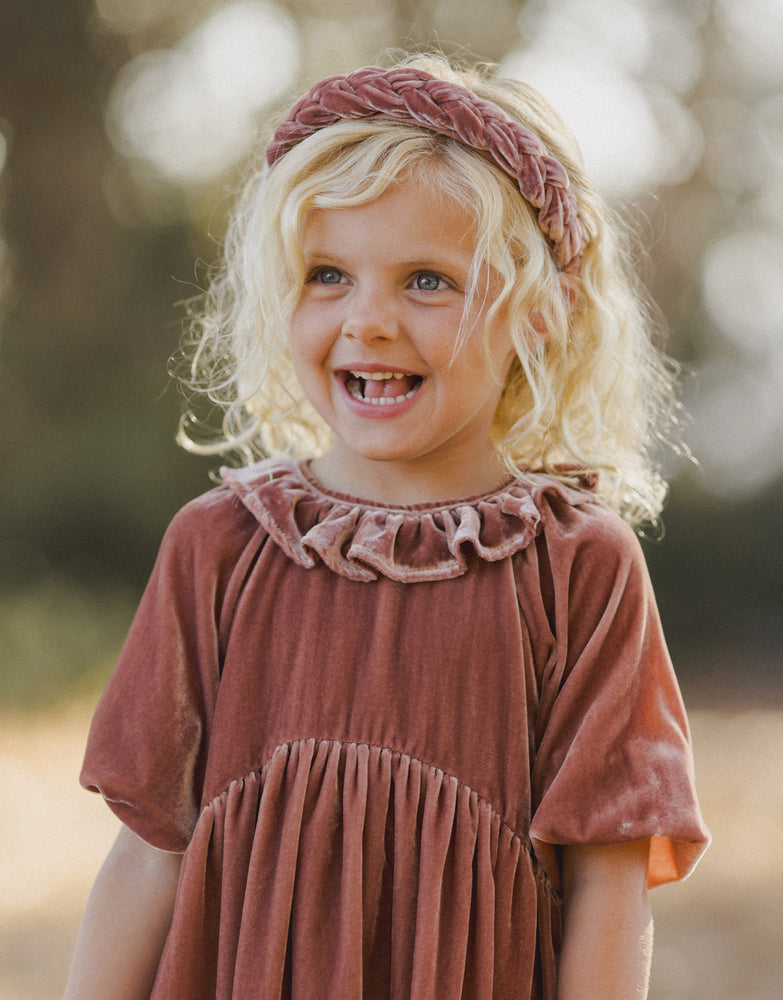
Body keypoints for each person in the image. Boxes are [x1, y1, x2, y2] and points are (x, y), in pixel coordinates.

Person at [63, 53, 710, 1000]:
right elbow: (147, 855)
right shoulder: (219, 548)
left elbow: (610, 883)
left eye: (427, 282)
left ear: (535, 317)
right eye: (329, 274)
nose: (368, 320)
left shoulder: (579, 566)